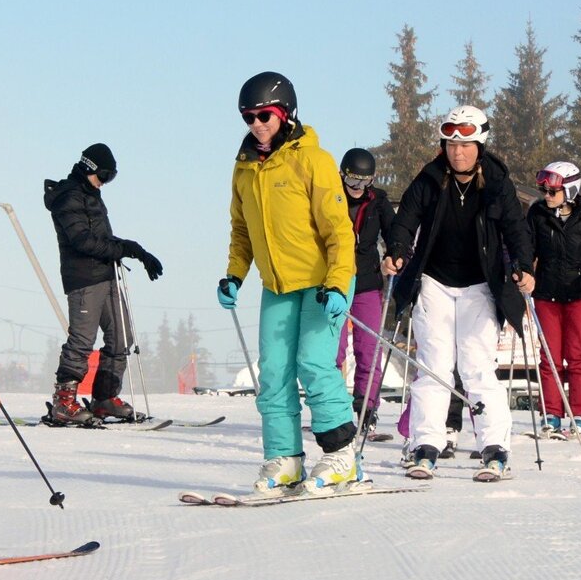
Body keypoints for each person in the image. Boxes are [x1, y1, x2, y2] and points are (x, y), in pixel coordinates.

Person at [218, 71, 359, 496]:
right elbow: (241, 231)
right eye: (249, 117)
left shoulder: (312, 160)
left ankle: (342, 455)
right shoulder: (245, 169)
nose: (257, 124)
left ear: (286, 113)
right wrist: (234, 275)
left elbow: (339, 229)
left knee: (314, 363)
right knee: (275, 372)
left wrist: (337, 284)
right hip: (277, 286)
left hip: (322, 283)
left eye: (265, 115)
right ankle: (285, 460)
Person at [382, 105, 535, 482]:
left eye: (465, 144)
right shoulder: (430, 179)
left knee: (476, 366)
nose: (457, 152)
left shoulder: (497, 182)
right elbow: (406, 221)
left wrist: (524, 266)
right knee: (434, 364)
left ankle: (494, 447)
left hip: (480, 286)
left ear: (479, 145)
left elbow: (516, 228)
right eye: (451, 144)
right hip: (434, 282)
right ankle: (426, 445)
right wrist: (397, 252)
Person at [44, 143, 163, 426]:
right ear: (89, 168)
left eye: (112, 177)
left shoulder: (91, 194)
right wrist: (123, 250)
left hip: (107, 275)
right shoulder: (68, 196)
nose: (105, 183)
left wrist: (133, 248)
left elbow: (102, 238)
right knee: (82, 341)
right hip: (84, 279)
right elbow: (81, 240)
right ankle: (64, 402)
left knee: (123, 337)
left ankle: (104, 398)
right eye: (105, 176)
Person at [526, 162, 581, 436]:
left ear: (570, 189)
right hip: (547, 293)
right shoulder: (538, 215)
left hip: (578, 294)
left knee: (577, 354)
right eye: (544, 190)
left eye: (552, 191)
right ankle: (552, 413)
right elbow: (528, 248)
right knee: (549, 355)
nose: (547, 196)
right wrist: (521, 269)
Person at [334, 148, 395, 432]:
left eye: (365, 182)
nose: (359, 188)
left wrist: (395, 254)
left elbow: (395, 233)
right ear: (343, 176)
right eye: (353, 182)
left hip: (366, 283)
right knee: (331, 352)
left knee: (368, 349)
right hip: (333, 282)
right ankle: (332, 409)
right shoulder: (330, 197)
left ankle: (366, 409)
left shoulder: (378, 201)